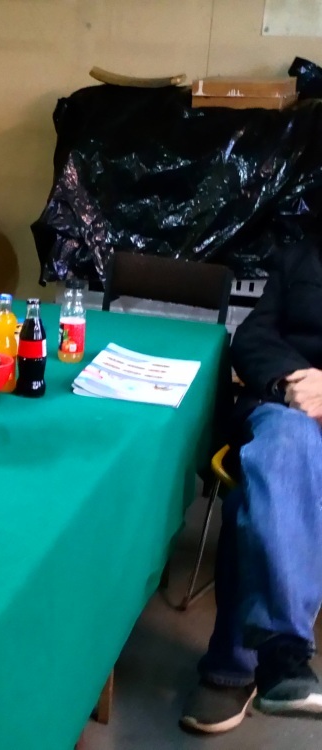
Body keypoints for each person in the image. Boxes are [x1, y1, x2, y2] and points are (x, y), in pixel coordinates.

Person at [180, 242, 322, 734]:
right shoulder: (301, 257)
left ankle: (234, 665)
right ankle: (283, 658)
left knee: (255, 493)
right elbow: (254, 334)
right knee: (282, 450)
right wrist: (291, 384)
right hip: (286, 410)